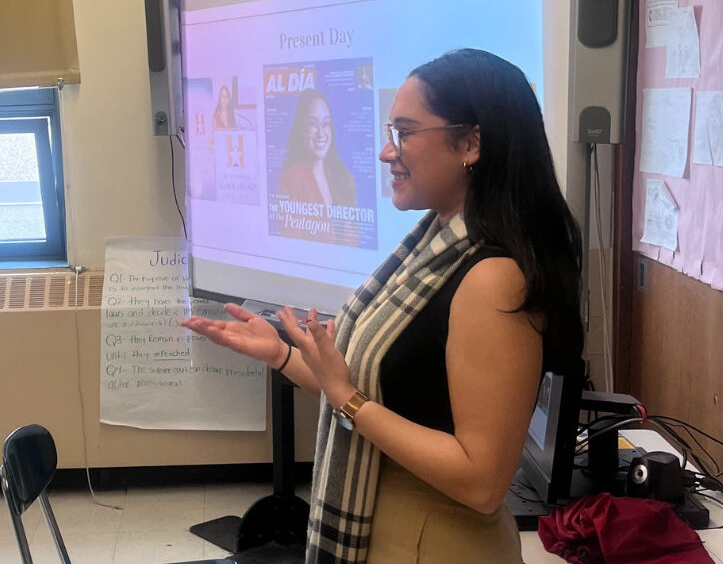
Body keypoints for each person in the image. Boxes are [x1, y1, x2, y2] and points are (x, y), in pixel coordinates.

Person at [185, 49, 583, 563]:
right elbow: (369, 391)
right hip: (390, 529)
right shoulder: (430, 248)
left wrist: (347, 399)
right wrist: (283, 357)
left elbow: (483, 480)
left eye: (404, 132)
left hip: (432, 544)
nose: (386, 152)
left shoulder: (492, 280)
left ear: (470, 143)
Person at [277, 88, 358, 246]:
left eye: (326, 124)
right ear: (301, 130)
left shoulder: (343, 177)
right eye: (313, 124)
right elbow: (292, 244)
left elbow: (355, 236)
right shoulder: (292, 178)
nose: (321, 133)